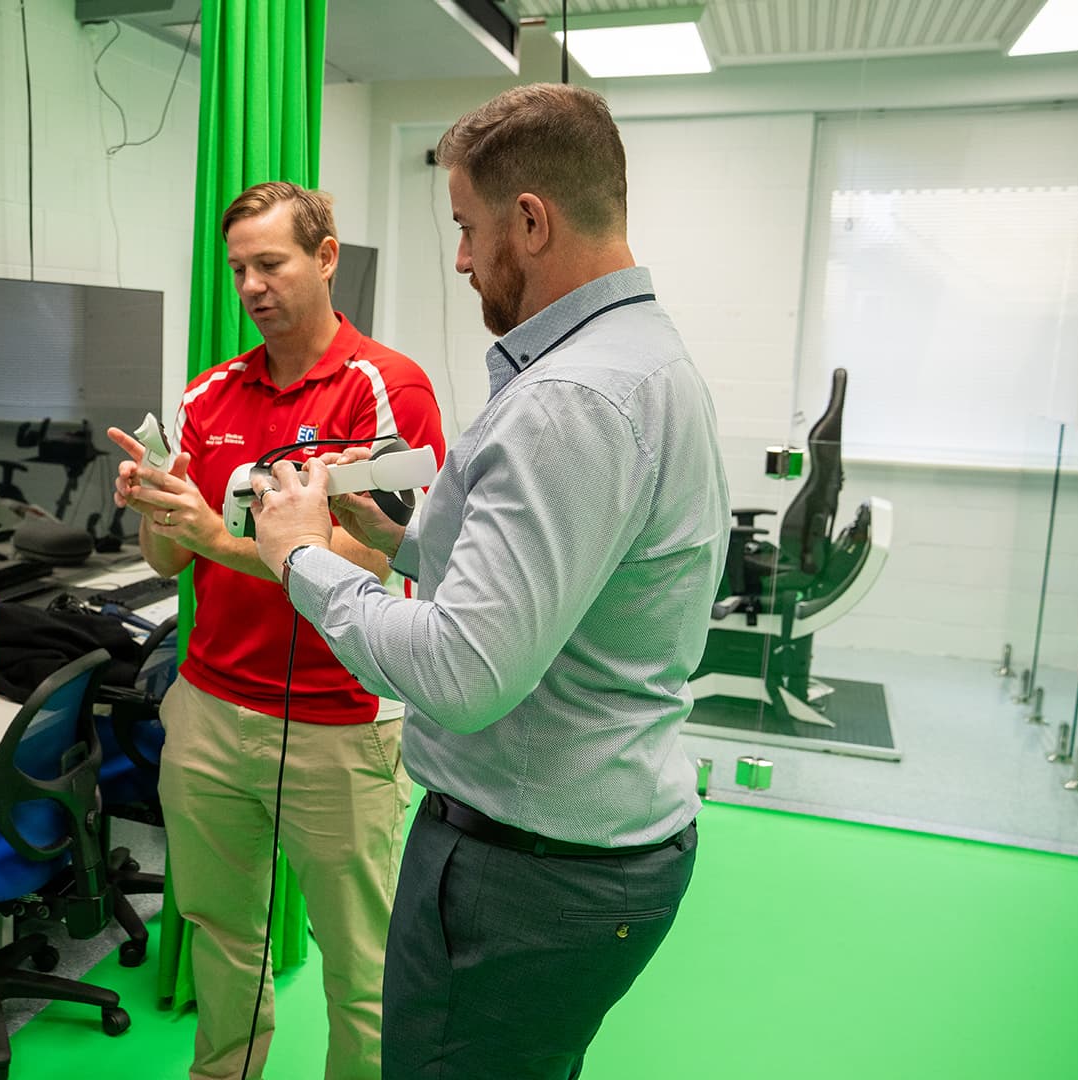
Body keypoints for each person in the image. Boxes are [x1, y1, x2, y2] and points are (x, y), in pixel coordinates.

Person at [248, 84, 731, 1079]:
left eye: (467, 229)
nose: (462, 258)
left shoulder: (568, 400)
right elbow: (572, 579)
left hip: (526, 872)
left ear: (531, 219)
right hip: (593, 848)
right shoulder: (644, 359)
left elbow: (468, 673)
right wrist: (409, 541)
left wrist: (300, 558)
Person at [107, 181, 445, 1080]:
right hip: (212, 712)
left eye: (271, 263)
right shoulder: (207, 399)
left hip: (340, 722)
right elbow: (166, 565)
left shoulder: (387, 389)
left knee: (362, 966)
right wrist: (154, 505)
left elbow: (366, 563)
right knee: (224, 942)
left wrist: (221, 535)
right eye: (238, 270)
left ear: (326, 256)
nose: (252, 286)